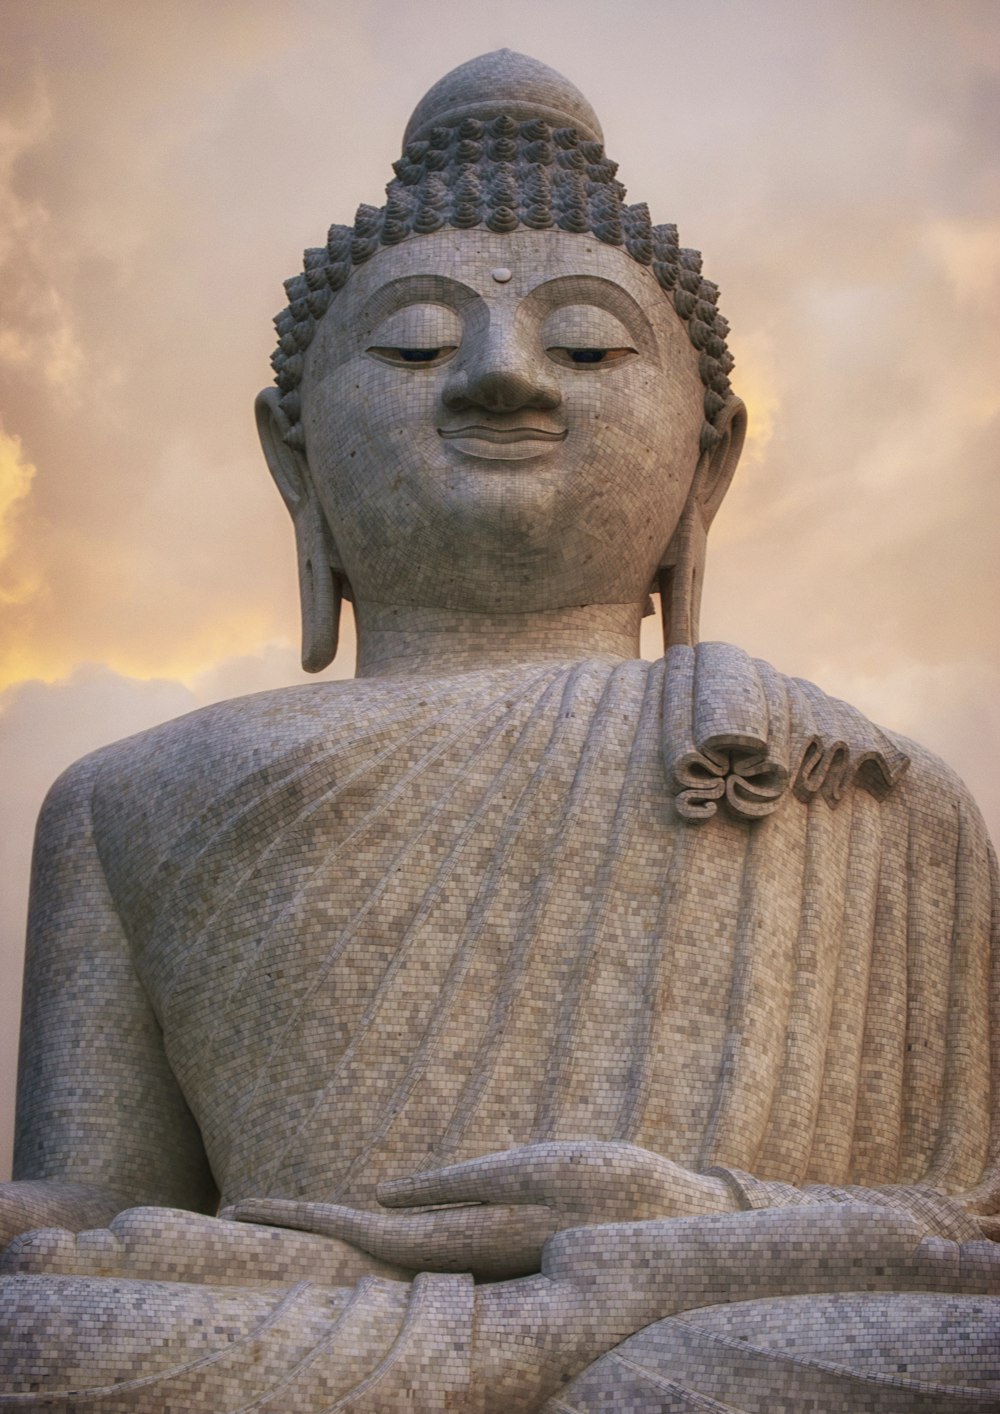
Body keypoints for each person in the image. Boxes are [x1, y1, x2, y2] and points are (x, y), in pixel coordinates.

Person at [1, 50, 997, 1412]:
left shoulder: (872, 795)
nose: (497, 377)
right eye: (414, 343)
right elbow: (88, 1213)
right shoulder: (125, 800)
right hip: (313, 1324)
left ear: (709, 462)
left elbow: (970, 1237)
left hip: (704, 1325)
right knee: (35, 1341)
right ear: (292, 462)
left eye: (585, 344)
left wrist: (662, 1224)